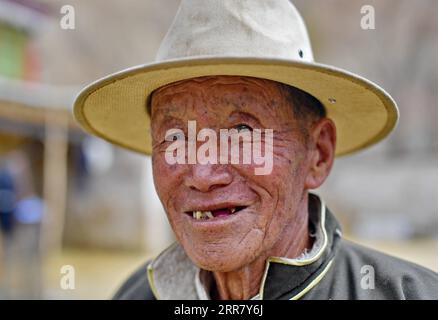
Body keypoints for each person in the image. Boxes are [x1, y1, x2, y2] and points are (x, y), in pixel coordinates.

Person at [74, 0, 438, 299]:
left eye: (242, 132)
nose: (202, 175)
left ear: (319, 154)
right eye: (175, 139)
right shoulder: (135, 296)